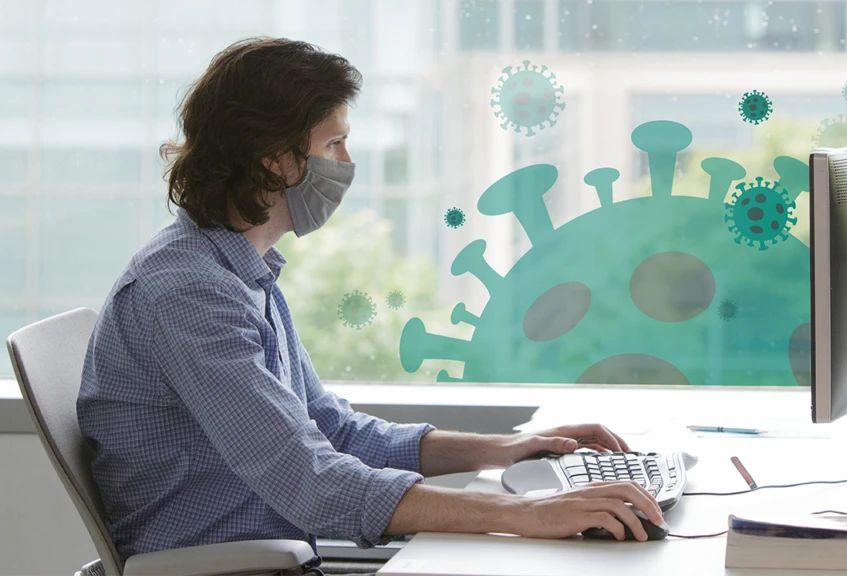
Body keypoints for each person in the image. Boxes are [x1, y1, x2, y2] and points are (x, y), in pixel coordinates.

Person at [77, 37, 662, 565]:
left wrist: (507, 449)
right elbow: (309, 481)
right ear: (275, 157)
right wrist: (525, 515)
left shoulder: (239, 273)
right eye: (334, 143)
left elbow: (332, 431)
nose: (347, 165)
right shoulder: (188, 291)